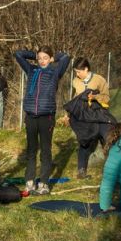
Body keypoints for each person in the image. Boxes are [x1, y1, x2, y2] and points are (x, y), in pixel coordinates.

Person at [15, 46, 70, 195]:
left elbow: (65, 57)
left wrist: (53, 57)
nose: (42, 61)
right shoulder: (31, 70)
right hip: (31, 117)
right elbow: (18, 54)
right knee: (31, 150)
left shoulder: (55, 72)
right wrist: (35, 54)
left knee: (45, 151)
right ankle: (30, 182)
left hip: (47, 117)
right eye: (40, 58)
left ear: (50, 59)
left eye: (45, 58)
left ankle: (44, 183)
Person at [64, 57, 113, 179]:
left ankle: (111, 171)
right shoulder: (76, 81)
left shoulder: (99, 80)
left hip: (99, 114)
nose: (77, 74)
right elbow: (76, 99)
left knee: (106, 139)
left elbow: (107, 97)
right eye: (76, 72)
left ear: (86, 69)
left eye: (79, 71)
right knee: (84, 141)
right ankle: (81, 171)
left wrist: (95, 97)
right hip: (84, 116)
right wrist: (68, 114)